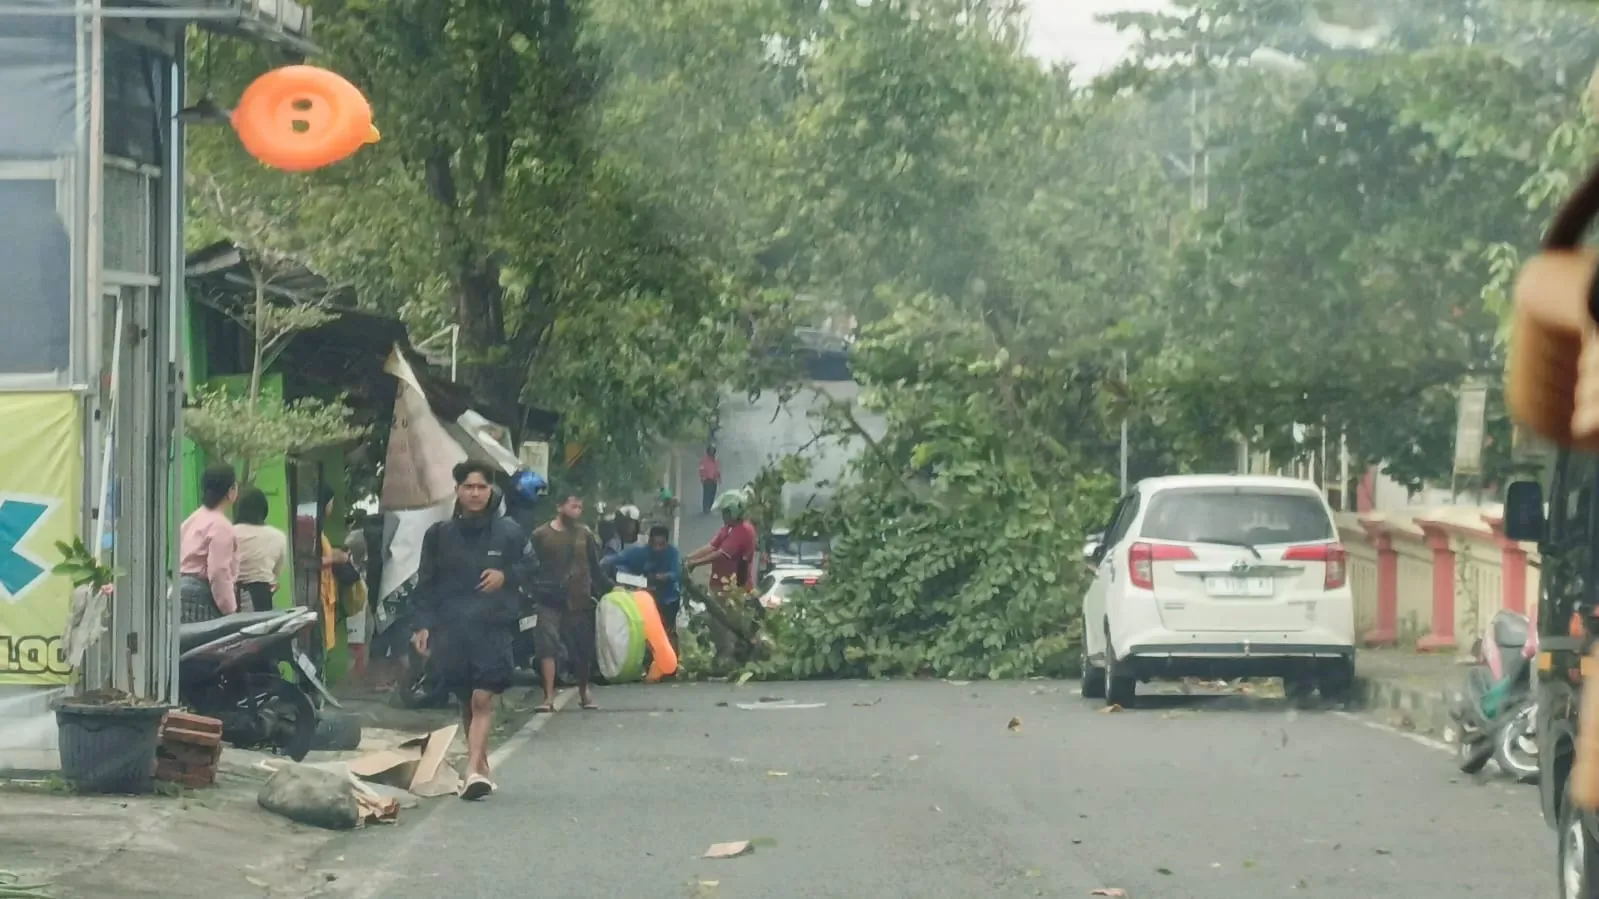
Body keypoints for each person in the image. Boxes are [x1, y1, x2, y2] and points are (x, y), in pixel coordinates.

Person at [410, 461, 534, 801]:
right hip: (452, 629)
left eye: (481, 487)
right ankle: (482, 768)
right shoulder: (438, 536)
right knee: (466, 699)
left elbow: (531, 566)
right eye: (469, 487)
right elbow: (426, 583)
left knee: (482, 698)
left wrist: (505, 576)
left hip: (493, 626)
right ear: (458, 491)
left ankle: (473, 769)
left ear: (491, 490)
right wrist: (422, 625)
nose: (475, 493)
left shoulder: (509, 532)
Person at [530, 493, 612, 713]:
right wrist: (532, 591)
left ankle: (584, 692)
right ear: (559, 507)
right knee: (547, 647)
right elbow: (529, 565)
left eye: (579, 507)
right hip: (548, 599)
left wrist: (611, 589)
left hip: (579, 599)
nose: (577, 510)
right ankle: (548, 697)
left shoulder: (585, 535)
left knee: (581, 649)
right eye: (572, 505)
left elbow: (595, 568)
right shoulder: (540, 535)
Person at [179, 464, 239, 623]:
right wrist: (230, 609)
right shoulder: (221, 526)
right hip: (201, 598)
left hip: (180, 592)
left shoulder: (193, 519)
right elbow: (218, 571)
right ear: (231, 491)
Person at [608, 525, 683, 650]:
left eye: (661, 545)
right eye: (654, 544)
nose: (657, 548)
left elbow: (677, 573)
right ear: (649, 542)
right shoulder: (638, 553)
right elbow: (614, 560)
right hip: (647, 601)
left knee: (668, 633)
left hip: (668, 600)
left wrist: (664, 576)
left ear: (667, 543)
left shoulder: (672, 553)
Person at [686, 490, 758, 594]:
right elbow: (711, 546)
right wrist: (689, 557)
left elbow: (721, 554)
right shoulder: (728, 528)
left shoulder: (743, 530)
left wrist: (695, 563)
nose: (723, 516)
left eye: (725, 512)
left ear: (733, 512)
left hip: (735, 589)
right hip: (721, 585)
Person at [233, 487, 287, 614]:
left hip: (231, 597)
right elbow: (276, 573)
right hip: (262, 598)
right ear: (264, 509)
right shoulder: (278, 536)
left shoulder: (229, 533)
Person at [699, 447, 721, 515]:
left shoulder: (715, 460)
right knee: (706, 494)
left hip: (714, 480)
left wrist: (718, 478)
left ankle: (709, 506)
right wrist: (703, 478)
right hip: (707, 479)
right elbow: (701, 470)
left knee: (712, 494)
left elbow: (718, 469)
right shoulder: (704, 460)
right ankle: (705, 507)